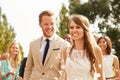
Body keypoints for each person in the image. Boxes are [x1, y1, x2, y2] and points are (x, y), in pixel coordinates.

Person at [24, 10, 70, 80]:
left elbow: (65, 70)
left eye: (52, 24)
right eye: (46, 24)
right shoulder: (33, 44)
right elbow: (28, 68)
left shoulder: (64, 45)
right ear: (40, 24)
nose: (49, 27)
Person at [62, 14, 105, 80]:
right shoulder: (66, 50)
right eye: (71, 27)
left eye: (78, 27)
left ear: (85, 29)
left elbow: (100, 77)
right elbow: (65, 75)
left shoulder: (95, 50)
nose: (74, 30)